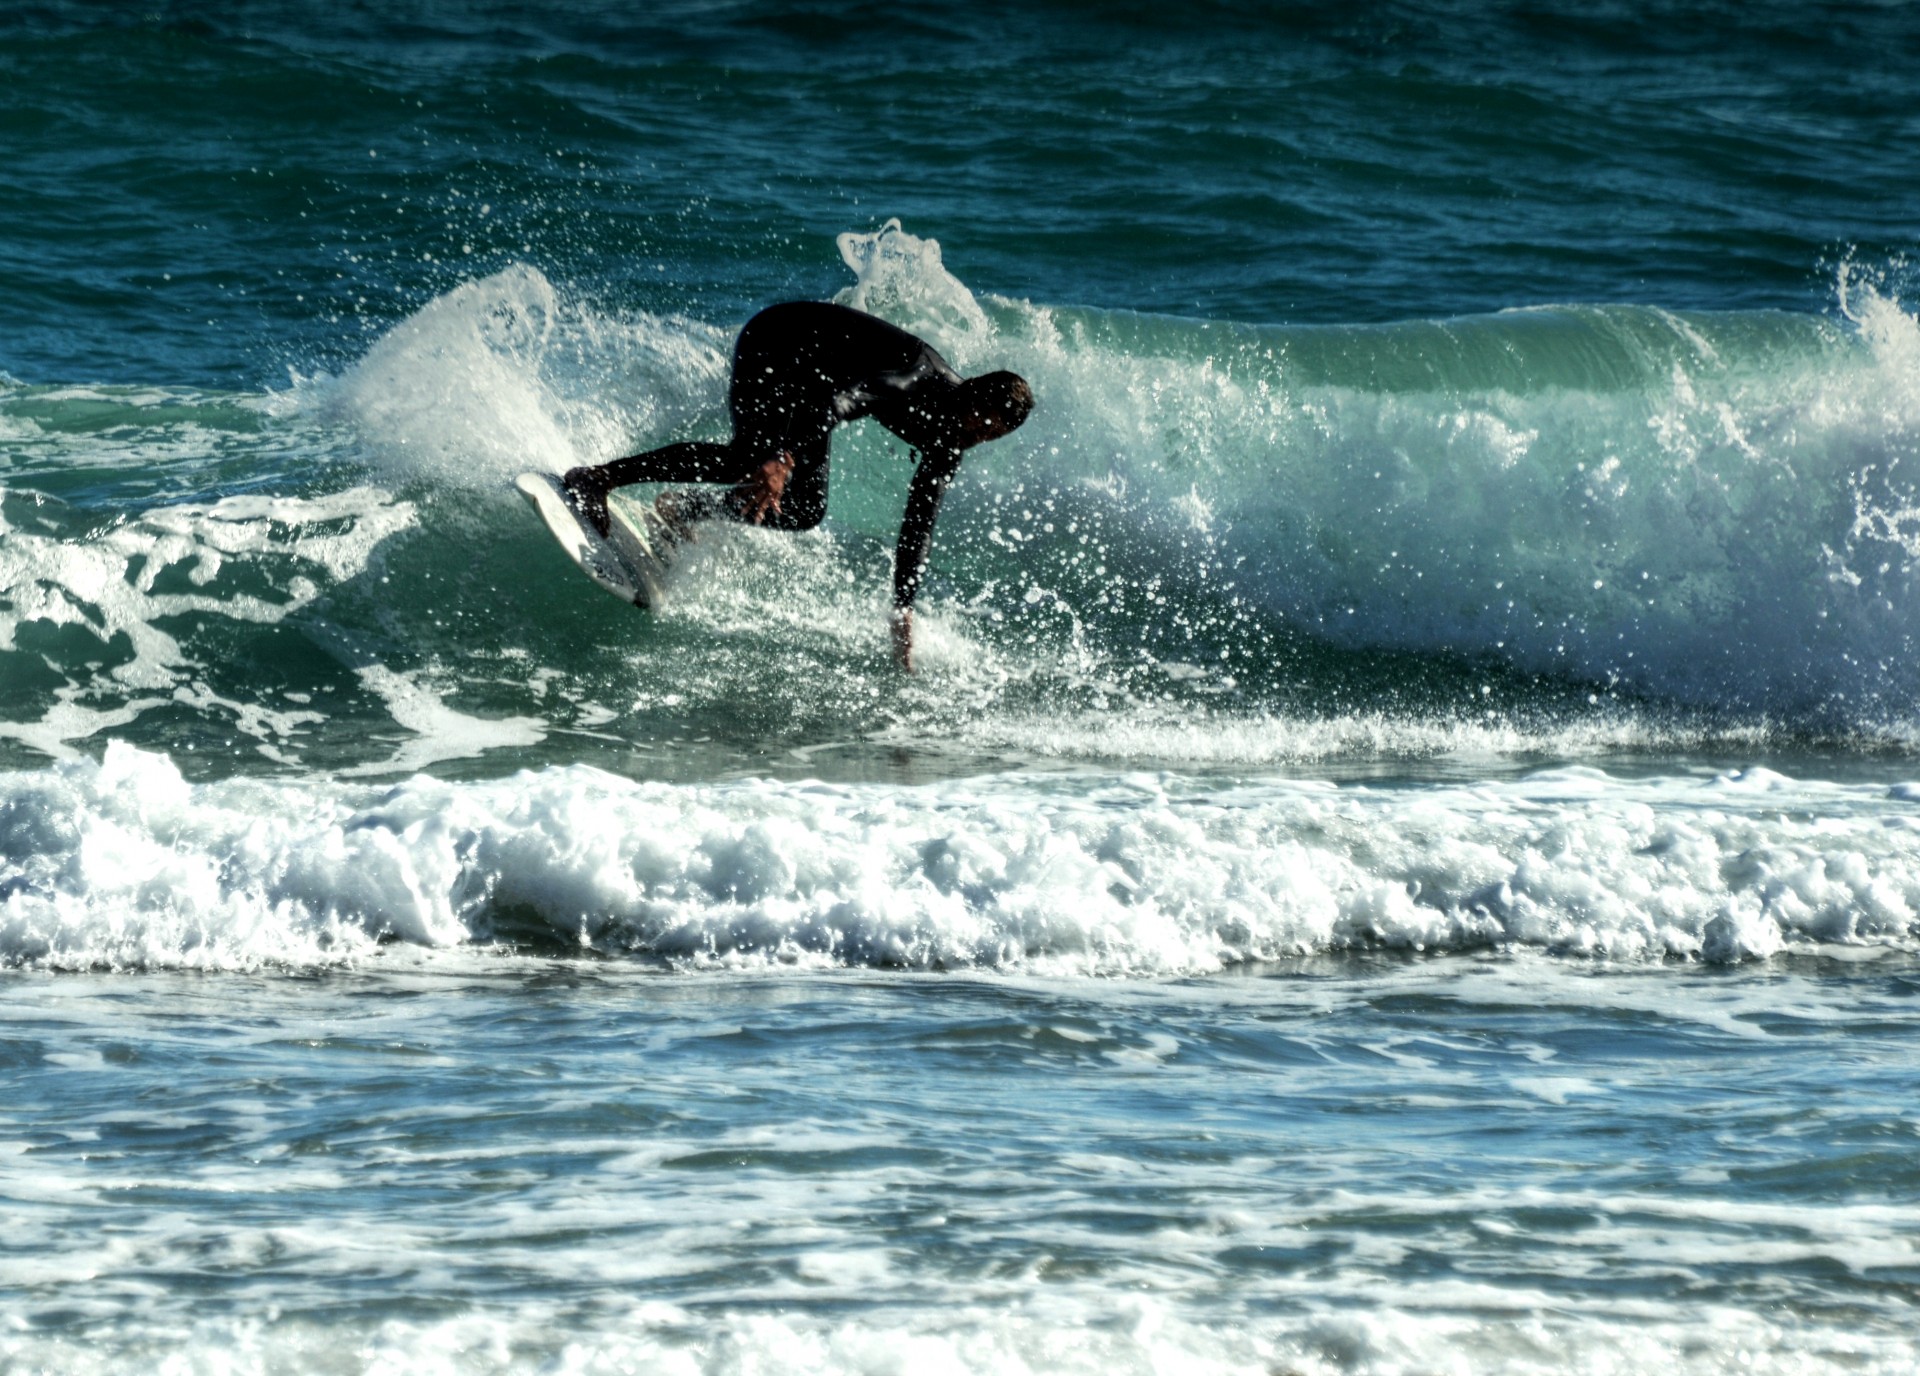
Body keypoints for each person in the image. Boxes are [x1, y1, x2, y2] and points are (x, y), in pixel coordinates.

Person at [562, 301, 1033, 671]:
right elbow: (842, 399)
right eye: (980, 424)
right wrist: (780, 458)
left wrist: (902, 607)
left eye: (990, 436)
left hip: (814, 383)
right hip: (779, 341)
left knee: (805, 509)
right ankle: (598, 478)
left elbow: (919, 521)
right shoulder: (917, 377)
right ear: (970, 393)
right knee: (745, 459)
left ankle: (684, 509)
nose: (977, 439)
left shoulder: (949, 442)